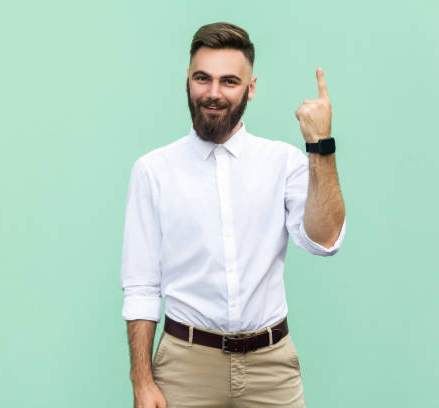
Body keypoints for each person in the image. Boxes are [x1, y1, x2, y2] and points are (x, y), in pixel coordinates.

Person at [120, 22, 346, 408]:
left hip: (271, 366)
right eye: (202, 79)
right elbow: (141, 286)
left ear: (251, 88)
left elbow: (325, 241)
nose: (213, 93)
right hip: (184, 367)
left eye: (229, 81)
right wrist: (141, 380)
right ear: (187, 82)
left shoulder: (284, 163)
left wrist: (320, 146)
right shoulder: (153, 170)